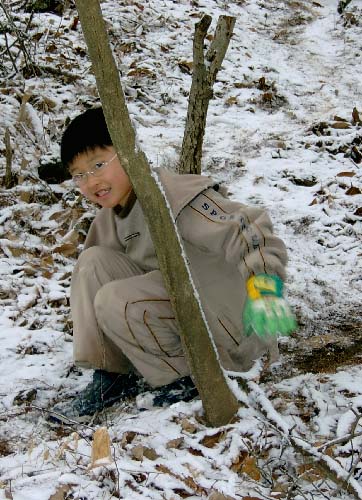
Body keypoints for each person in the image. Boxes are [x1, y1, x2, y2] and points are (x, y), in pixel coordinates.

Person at [53, 106, 296, 420]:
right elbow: (95, 286)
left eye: (98, 165)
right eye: (79, 175)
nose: (90, 181)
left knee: (115, 300)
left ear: (128, 151)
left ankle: (186, 381)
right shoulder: (110, 218)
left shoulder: (171, 195)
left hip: (231, 330)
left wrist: (266, 291)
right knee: (92, 263)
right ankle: (113, 375)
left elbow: (247, 229)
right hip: (185, 316)